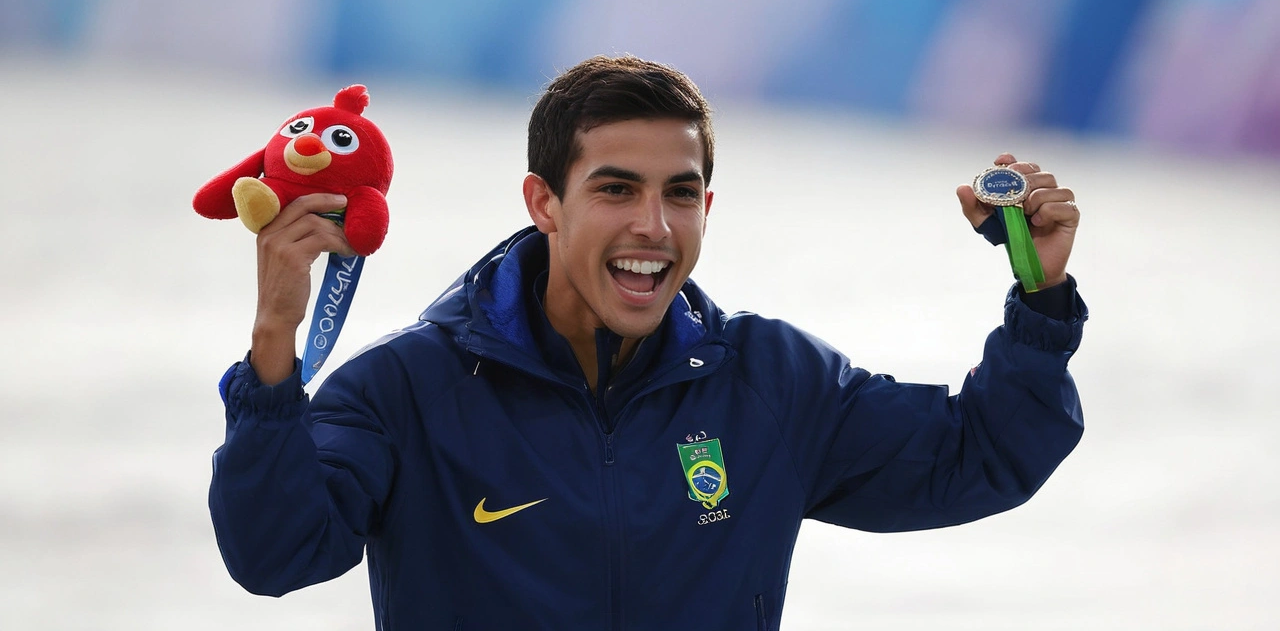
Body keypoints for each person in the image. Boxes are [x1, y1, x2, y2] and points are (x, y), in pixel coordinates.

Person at [209, 55, 1086, 630]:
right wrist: (274, 350)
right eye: (617, 190)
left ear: (708, 206)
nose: (653, 226)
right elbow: (276, 554)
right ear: (544, 202)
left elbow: (979, 457)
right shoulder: (405, 390)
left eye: (680, 193)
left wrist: (1039, 296)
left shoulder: (771, 382)